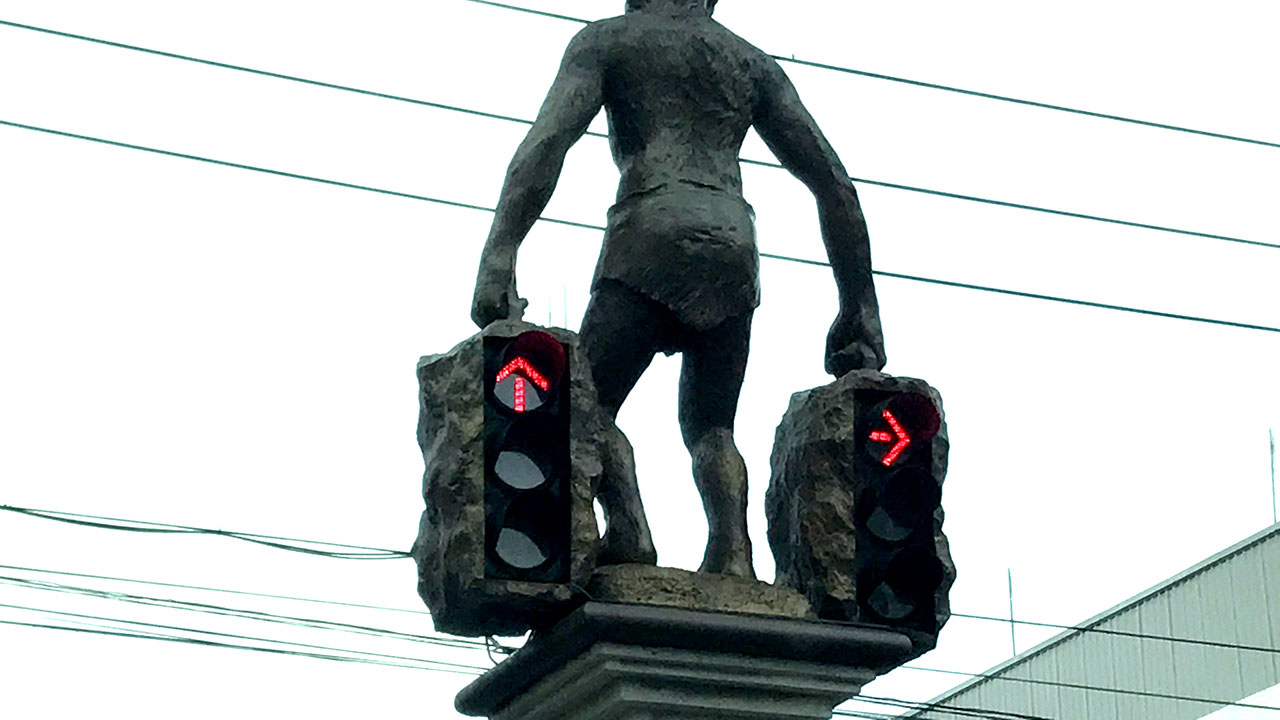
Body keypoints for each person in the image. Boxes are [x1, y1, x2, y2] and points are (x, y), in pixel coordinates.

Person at [470, 0, 884, 579]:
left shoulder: (608, 42)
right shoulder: (750, 63)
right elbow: (834, 184)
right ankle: (733, 549)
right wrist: (860, 308)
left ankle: (630, 525)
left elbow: (547, 144)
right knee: (712, 426)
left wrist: (500, 254)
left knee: (582, 403)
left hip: (651, 229)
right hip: (732, 244)